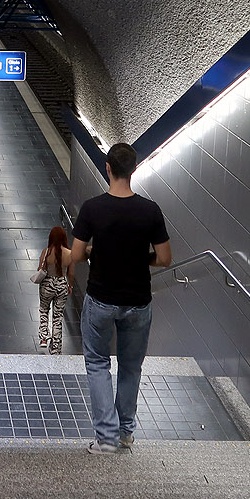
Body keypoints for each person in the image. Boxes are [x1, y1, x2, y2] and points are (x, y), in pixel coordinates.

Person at [69, 142, 171, 455]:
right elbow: (165, 258)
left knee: (98, 364)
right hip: (139, 302)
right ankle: (126, 434)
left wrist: (93, 252)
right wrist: (141, 260)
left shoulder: (92, 208)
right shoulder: (150, 210)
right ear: (134, 169)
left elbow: (74, 255)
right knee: (131, 368)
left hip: (101, 299)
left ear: (108, 169)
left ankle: (105, 440)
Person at [32, 225, 73, 354]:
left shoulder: (47, 252)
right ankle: (56, 346)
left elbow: (40, 269)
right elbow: (71, 274)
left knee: (44, 310)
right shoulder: (69, 253)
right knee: (58, 316)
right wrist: (69, 286)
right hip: (61, 285)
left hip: (47, 284)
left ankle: (44, 338)